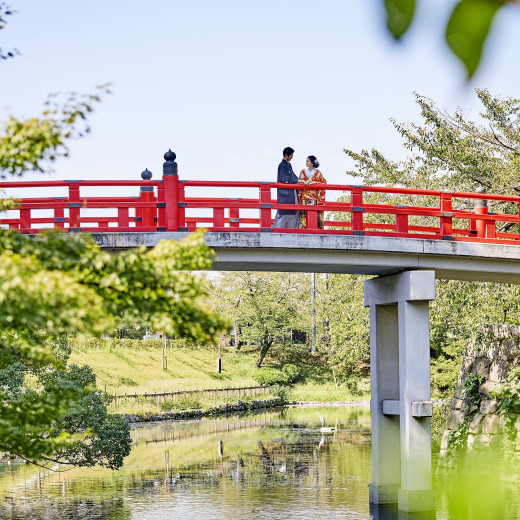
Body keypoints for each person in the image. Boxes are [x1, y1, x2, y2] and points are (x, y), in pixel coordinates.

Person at [272, 147, 300, 229]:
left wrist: (300, 180)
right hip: (285, 194)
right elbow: (285, 179)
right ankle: (277, 231)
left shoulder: (288, 165)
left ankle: (290, 230)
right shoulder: (282, 166)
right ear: (286, 155)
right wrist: (298, 181)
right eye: (291, 155)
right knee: (283, 213)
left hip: (290, 194)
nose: (292, 157)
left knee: (291, 213)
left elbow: (293, 177)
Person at [298, 155, 327, 229]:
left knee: (314, 215)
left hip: (314, 197)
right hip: (304, 196)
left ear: (312, 163)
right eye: (306, 161)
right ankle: (303, 229)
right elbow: (299, 182)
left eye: (308, 161)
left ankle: (314, 229)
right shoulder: (303, 172)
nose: (306, 162)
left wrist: (313, 183)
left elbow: (323, 183)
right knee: (303, 214)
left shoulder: (318, 173)